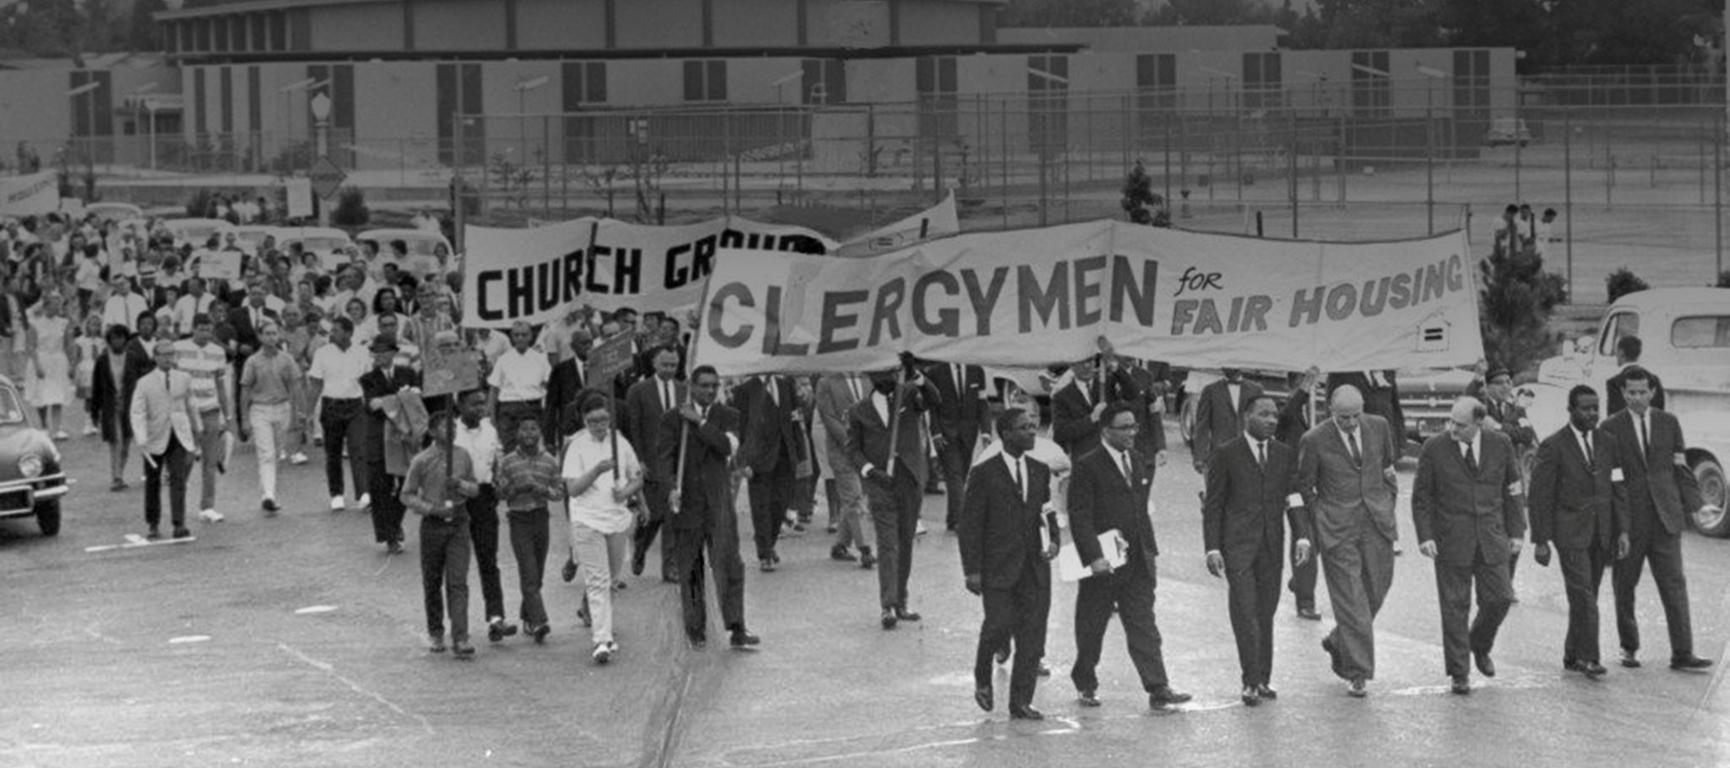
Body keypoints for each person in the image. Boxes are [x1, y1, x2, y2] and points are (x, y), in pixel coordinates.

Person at [1068, 400, 1190, 710]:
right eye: (1124, 428)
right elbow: (1080, 516)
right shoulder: (1087, 464)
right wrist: (1093, 556)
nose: (1132, 433)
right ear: (1106, 430)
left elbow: (1139, 510)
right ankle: (1085, 681)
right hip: (1104, 561)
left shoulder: (1136, 460)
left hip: (1137, 559)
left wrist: (1150, 550)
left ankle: (1157, 686)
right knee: (1092, 626)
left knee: (1143, 624)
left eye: (1134, 426)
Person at [1202, 394, 1312, 706]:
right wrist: (1212, 548)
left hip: (1271, 546)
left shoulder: (1283, 453)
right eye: (1264, 414)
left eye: (1275, 416)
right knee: (1245, 613)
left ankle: (1263, 678)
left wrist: (1302, 536)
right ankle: (1249, 680)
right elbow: (1214, 506)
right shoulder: (1226, 454)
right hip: (1237, 548)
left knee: (1265, 613)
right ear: (1247, 417)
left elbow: (1294, 496)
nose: (1271, 421)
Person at [1411, 397, 1525, 695]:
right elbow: (1422, 497)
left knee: (1500, 598)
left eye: (1460, 425)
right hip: (1451, 540)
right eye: (1450, 421)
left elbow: (1513, 489)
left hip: (1491, 537)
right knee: (1454, 608)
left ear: (1478, 423)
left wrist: (1517, 531)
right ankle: (1459, 673)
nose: (1452, 429)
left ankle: (1480, 643)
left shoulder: (1500, 444)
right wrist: (1425, 536)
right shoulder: (1434, 449)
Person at [1604, 367, 1713, 671]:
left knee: (1675, 586)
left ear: (1652, 392)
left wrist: (1696, 505)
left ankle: (1682, 653)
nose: (1636, 398)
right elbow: (1613, 481)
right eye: (1631, 392)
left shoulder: (1669, 423)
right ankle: (1629, 648)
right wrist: (1620, 527)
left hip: (1666, 519)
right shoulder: (1610, 427)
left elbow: (1680, 467)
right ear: (1623, 393)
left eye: (1642, 392)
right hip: (1631, 523)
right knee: (1624, 586)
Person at [1295, 384, 1401, 698]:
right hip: (1337, 530)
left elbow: (1387, 468)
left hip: (1376, 523)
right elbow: (1305, 485)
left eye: (1355, 416)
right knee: (1352, 600)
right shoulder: (1313, 440)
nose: (1351, 423)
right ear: (1331, 411)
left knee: (1377, 589)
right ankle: (1357, 672)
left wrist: (1387, 502)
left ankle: (1340, 639)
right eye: (1344, 418)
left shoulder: (1380, 426)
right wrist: (1322, 518)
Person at [960, 407, 1059, 720]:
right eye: (1024, 427)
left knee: (1033, 635)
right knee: (997, 625)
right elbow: (970, 525)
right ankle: (982, 676)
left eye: (1033, 426)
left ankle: (1020, 702)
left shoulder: (1040, 469)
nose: (1032, 432)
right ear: (1006, 434)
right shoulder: (984, 473)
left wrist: (1053, 540)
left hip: (1034, 567)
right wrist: (972, 570)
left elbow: (1047, 511)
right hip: (998, 568)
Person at [1529, 385, 1630, 679]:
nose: (1592, 414)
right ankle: (1589, 657)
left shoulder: (1608, 442)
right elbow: (1540, 495)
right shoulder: (1553, 445)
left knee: (1586, 595)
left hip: (1602, 532)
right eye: (1586, 408)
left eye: (1596, 408)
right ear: (1570, 410)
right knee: (1584, 595)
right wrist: (1541, 540)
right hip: (1569, 533)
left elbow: (1618, 487)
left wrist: (1623, 530)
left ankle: (1572, 653)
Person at [659, 365, 757, 650]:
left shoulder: (729, 416)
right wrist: (670, 488)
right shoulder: (672, 420)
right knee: (690, 569)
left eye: (714, 385)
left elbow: (727, 447)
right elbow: (663, 459)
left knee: (729, 564)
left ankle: (737, 626)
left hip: (718, 505)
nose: (710, 390)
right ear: (691, 385)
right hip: (687, 505)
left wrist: (700, 424)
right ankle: (695, 629)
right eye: (704, 385)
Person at [846, 361, 939, 629]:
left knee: (905, 541)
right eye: (878, 372)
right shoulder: (858, 411)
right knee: (888, 544)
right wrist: (869, 470)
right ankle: (887, 605)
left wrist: (917, 375)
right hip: (880, 484)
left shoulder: (909, 395)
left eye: (889, 371)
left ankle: (901, 601)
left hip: (909, 479)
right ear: (869, 375)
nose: (884, 376)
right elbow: (853, 449)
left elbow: (935, 399)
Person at [563, 394, 646, 664]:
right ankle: (601, 640)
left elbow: (637, 477)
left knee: (611, 579)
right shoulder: (576, 446)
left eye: (603, 420)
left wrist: (626, 493)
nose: (599, 425)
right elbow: (573, 489)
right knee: (596, 580)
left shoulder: (620, 443)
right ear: (584, 421)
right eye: (592, 421)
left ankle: (605, 630)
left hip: (616, 519)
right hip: (587, 519)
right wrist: (596, 471)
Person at [403, 407, 479, 658]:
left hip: (459, 521)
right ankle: (436, 631)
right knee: (432, 580)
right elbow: (407, 494)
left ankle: (461, 636)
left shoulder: (463, 456)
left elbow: (475, 488)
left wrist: (460, 485)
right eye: (447, 427)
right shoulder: (422, 460)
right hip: (433, 526)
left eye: (455, 426)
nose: (453, 431)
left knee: (458, 582)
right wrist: (430, 509)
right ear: (434, 432)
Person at [452, 388, 513, 642]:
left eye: (482, 403)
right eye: (474, 404)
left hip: (485, 498)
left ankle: (496, 617)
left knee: (488, 558)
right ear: (460, 405)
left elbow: (497, 460)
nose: (480, 408)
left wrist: (500, 482)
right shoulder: (450, 432)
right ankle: (457, 625)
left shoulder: (490, 429)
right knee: (458, 565)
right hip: (458, 499)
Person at [497, 418, 562, 645]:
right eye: (524, 428)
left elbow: (559, 492)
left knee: (538, 572)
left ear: (540, 433)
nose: (529, 433)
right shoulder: (507, 461)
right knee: (529, 571)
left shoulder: (550, 461)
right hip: (519, 519)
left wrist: (540, 489)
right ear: (517, 433)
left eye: (534, 428)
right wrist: (516, 489)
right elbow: (500, 492)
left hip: (541, 518)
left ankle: (527, 615)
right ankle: (539, 622)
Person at [622, 345, 684, 582]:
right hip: (650, 461)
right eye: (665, 364)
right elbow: (633, 427)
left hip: (675, 463)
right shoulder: (638, 390)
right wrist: (637, 459)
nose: (669, 369)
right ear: (654, 364)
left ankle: (670, 566)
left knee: (672, 516)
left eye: (674, 365)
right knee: (653, 517)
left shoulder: (683, 389)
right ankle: (640, 547)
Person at [130, 338, 200, 540]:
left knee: (178, 478)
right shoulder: (144, 383)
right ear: (156, 357)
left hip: (178, 434)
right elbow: (137, 412)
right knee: (153, 481)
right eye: (165, 354)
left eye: (172, 354)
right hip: (154, 436)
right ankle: (153, 523)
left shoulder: (183, 378)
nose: (169, 358)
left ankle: (179, 523)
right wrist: (141, 437)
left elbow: (191, 404)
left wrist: (198, 428)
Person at [735, 374, 806, 571]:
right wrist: (743, 461)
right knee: (761, 506)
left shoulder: (785, 385)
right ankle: (764, 552)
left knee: (780, 503)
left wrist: (799, 452)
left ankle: (770, 542)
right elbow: (740, 428)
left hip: (785, 454)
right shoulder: (745, 390)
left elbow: (794, 419)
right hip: (758, 458)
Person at [361, 335, 421, 554]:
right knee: (380, 486)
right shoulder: (367, 378)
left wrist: (387, 401)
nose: (379, 356)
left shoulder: (408, 373)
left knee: (408, 481)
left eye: (383, 351)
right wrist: (400, 398)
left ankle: (394, 524)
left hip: (404, 436)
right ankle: (389, 536)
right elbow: (371, 405)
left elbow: (415, 399)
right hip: (379, 437)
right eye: (375, 352)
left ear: (394, 353)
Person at [173, 313, 235, 524]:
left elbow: (220, 385)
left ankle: (207, 507)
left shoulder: (218, 352)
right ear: (193, 329)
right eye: (201, 329)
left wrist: (227, 414)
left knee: (210, 460)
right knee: (188, 457)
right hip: (186, 410)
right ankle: (178, 502)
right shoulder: (179, 348)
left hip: (210, 409)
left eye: (209, 329)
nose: (205, 333)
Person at [307, 317, 371, 511]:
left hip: (355, 406)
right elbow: (316, 383)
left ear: (349, 333)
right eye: (331, 330)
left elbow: (367, 381)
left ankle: (364, 493)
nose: (331, 334)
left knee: (358, 449)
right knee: (333, 452)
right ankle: (336, 494)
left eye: (336, 330)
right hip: (331, 405)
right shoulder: (322, 353)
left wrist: (369, 406)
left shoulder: (362, 352)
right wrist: (309, 412)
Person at [1275, 367, 1324, 620]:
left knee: (1319, 539)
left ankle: (1299, 579)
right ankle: (1305, 602)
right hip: (1292, 487)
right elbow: (1287, 414)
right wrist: (1304, 390)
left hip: (1313, 486)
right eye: (1300, 384)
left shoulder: (1313, 412)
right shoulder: (1284, 412)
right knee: (1304, 538)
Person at [239, 322, 302, 514]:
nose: (271, 337)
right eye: (267, 334)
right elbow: (245, 389)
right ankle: (268, 495)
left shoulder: (286, 359)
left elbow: (295, 385)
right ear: (259, 336)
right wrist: (244, 419)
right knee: (266, 453)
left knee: (276, 452)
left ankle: (270, 491)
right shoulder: (252, 361)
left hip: (282, 407)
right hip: (260, 409)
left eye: (274, 333)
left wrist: (298, 413)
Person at [815, 372, 874, 567]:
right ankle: (865, 548)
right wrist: (851, 442)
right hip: (842, 450)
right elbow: (829, 417)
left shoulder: (867, 379)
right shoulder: (826, 382)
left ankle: (840, 545)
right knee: (854, 497)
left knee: (851, 500)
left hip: (866, 450)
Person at [927, 361, 990, 531]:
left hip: (969, 432)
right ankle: (963, 521)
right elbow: (932, 407)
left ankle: (952, 519)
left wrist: (986, 432)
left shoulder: (976, 369)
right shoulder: (935, 371)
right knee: (954, 474)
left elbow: (982, 403)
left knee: (961, 475)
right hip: (946, 433)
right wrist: (936, 432)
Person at [91, 324, 151, 490]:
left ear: (126, 339)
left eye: (120, 338)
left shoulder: (132, 358)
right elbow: (96, 386)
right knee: (115, 441)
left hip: (130, 406)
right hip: (110, 407)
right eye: (114, 338)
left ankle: (120, 474)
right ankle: (116, 477)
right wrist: (94, 412)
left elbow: (142, 382)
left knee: (125, 443)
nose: (117, 341)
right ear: (109, 340)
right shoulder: (102, 360)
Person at [1050, 354, 1132, 458]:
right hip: (1083, 461)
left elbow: (1133, 394)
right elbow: (1060, 434)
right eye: (1081, 362)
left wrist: (1115, 366)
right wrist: (1091, 419)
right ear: (1071, 365)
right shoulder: (1062, 397)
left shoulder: (1107, 384)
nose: (1087, 366)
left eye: (1090, 360)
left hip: (1112, 458)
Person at [488, 321, 550, 453]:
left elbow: (547, 385)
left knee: (533, 448)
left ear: (531, 336)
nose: (520, 338)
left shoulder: (540, 359)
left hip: (533, 408)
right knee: (510, 448)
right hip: (509, 410)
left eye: (524, 334)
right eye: (516, 335)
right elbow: (494, 389)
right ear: (511, 337)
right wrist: (492, 417)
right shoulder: (503, 359)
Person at [1191, 368, 1264, 474]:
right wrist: (1199, 457)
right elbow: (1202, 426)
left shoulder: (1255, 390)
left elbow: (1262, 423)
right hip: (1219, 455)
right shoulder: (1210, 391)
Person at [27, 291, 73, 439]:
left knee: (58, 395)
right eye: (54, 304)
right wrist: (36, 365)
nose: (57, 307)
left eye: (58, 304)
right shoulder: (35, 323)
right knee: (42, 395)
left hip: (58, 361)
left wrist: (71, 364)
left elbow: (68, 344)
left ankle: (57, 428)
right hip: (42, 359)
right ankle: (44, 426)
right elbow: (31, 346)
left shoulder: (63, 323)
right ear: (46, 305)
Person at [1605, 336, 1666, 415]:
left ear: (1621, 352)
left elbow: (1614, 417)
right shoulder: (1655, 379)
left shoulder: (1614, 382)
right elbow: (1660, 413)